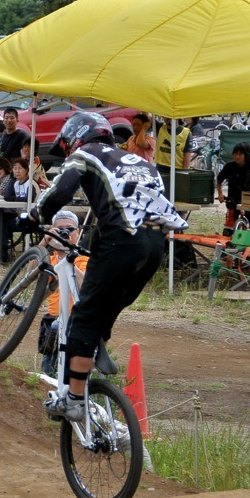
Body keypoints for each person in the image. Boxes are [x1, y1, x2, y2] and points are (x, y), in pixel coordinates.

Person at [37, 111, 187, 422]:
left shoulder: (85, 153)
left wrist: (36, 215)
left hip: (122, 240)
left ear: (76, 137)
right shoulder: (142, 163)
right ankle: (97, 343)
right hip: (156, 246)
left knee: (83, 316)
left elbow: (60, 192)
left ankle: (74, 399)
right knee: (104, 307)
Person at [38, 210, 90, 375]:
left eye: (70, 229)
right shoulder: (49, 259)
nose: (65, 233)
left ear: (79, 232)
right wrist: (43, 243)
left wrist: (67, 263)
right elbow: (29, 274)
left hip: (77, 321)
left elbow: (85, 287)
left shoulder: (85, 259)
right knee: (49, 373)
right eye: (59, 230)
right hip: (54, 321)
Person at [0, 157, 38, 262]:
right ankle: (0, 254)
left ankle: (1, 255)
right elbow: (7, 197)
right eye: (14, 168)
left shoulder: (31, 183)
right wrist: (12, 179)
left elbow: (28, 199)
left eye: (19, 168)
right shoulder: (16, 183)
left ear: (26, 170)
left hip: (31, 218)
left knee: (2, 223)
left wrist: (16, 198)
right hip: (19, 215)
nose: (17, 171)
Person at [216, 142, 250, 236]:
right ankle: (227, 247)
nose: (237, 156)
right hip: (233, 198)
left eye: (240, 154)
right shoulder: (229, 166)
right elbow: (219, 180)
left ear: (246, 155)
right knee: (229, 228)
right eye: (235, 154)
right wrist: (220, 193)